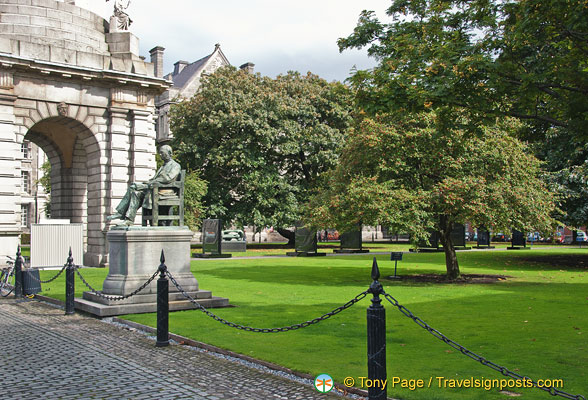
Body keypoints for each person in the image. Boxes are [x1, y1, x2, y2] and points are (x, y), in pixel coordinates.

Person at [107, 145, 181, 225]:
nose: (160, 155)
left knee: (133, 187)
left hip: (164, 191)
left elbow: (167, 178)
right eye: (160, 153)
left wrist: (151, 182)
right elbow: (157, 178)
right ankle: (129, 219)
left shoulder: (175, 165)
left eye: (162, 153)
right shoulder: (163, 166)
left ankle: (121, 213)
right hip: (154, 188)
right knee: (135, 192)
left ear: (169, 153)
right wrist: (149, 182)